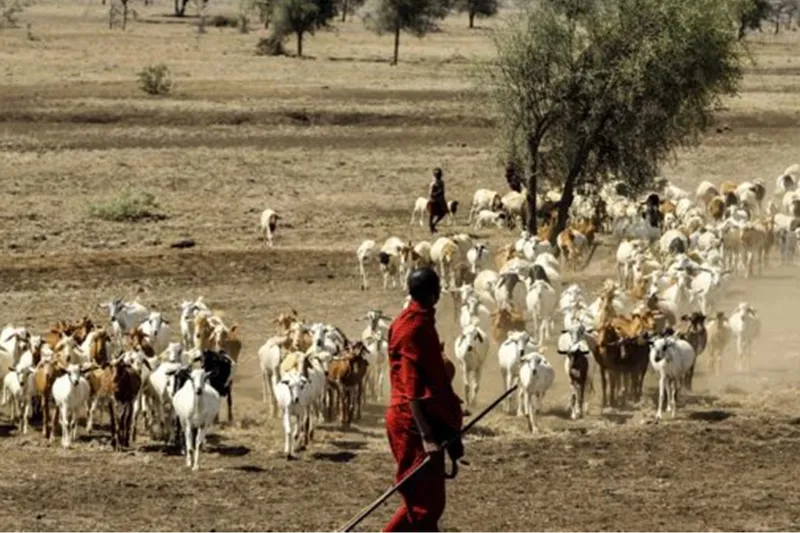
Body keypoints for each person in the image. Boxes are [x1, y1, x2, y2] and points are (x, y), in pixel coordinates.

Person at [384, 267, 464, 533]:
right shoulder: (415, 328)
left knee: (426, 503)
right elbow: (411, 387)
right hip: (413, 422)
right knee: (424, 505)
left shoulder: (407, 322)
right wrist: (427, 433)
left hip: (417, 418)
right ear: (433, 295)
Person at [427, 168, 448, 234]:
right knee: (431, 215)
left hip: (439, 201)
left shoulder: (441, 183)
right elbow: (431, 195)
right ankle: (431, 228)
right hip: (433, 202)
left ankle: (433, 224)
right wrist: (438, 193)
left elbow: (442, 193)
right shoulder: (433, 184)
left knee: (443, 213)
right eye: (437, 175)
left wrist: (444, 203)